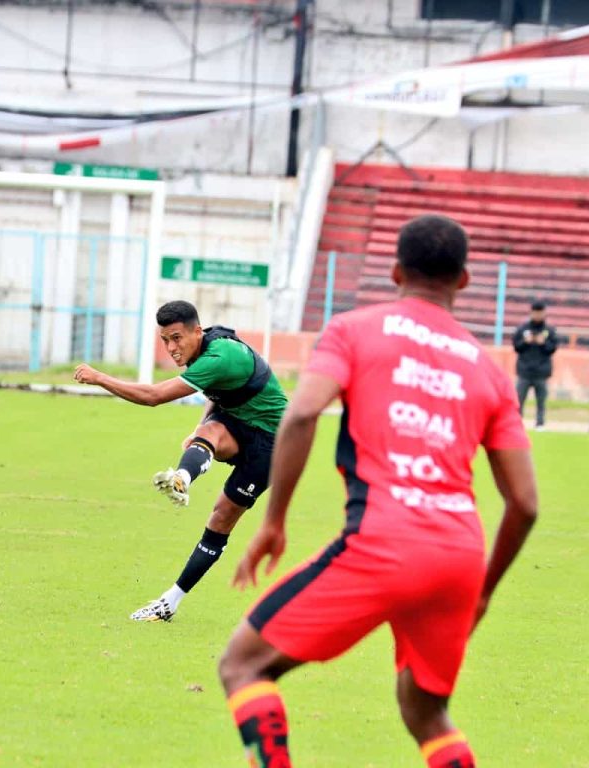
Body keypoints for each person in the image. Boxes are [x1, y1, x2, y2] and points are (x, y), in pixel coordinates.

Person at [218, 215, 538, 768]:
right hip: (459, 558)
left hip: (383, 543)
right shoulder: (487, 370)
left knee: (243, 666)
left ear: (395, 271)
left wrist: (273, 522)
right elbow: (526, 503)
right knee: (425, 712)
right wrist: (483, 587)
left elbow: (300, 416)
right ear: (464, 281)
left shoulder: (355, 329)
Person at [73, 300, 288, 622]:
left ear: (197, 332)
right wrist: (197, 430)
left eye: (176, 338)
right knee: (209, 432)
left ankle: (171, 600)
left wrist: (100, 377)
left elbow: (153, 397)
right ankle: (182, 479)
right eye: (165, 341)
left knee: (221, 518)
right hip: (240, 422)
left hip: (274, 441)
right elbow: (218, 394)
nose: (171, 348)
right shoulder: (205, 349)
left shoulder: (219, 357)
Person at [512, 300, 558, 430]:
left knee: (541, 400)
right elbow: (516, 346)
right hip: (524, 371)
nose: (537, 315)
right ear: (531, 313)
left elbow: (553, 348)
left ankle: (540, 423)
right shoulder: (523, 329)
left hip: (541, 372)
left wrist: (543, 343)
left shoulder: (549, 330)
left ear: (544, 313)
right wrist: (525, 342)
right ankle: (517, 423)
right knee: (519, 400)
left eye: (540, 313)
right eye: (535, 313)